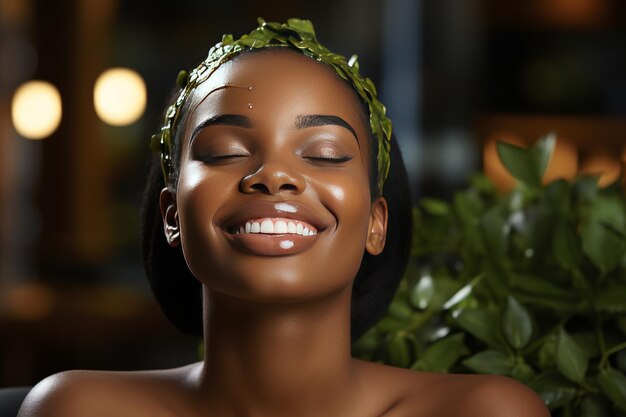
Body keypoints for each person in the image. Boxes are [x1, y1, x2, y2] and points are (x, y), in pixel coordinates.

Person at [18, 18, 550, 417]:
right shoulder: (80, 408)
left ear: (375, 223)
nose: (274, 175)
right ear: (172, 215)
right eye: (225, 150)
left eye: (323, 153)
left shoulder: (482, 412)